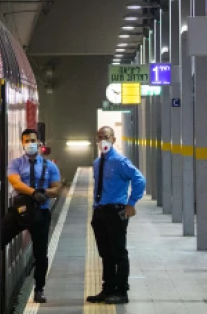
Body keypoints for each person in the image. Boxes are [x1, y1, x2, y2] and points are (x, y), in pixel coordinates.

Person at [86, 126, 146, 305]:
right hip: (100, 212)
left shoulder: (120, 161)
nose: (103, 140)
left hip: (115, 211)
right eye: (100, 137)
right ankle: (108, 288)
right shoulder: (97, 163)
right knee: (105, 253)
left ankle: (121, 291)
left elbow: (139, 180)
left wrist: (131, 203)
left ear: (113, 139)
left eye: (106, 137)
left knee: (118, 252)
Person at [3, 128, 61, 303]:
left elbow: (57, 189)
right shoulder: (15, 164)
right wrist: (34, 192)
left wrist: (45, 192)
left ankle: (39, 289)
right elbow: (15, 183)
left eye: (33, 140)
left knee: (41, 254)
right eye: (27, 141)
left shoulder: (50, 166)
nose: (30, 144)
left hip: (41, 213)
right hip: (19, 212)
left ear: (39, 142)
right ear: (22, 144)